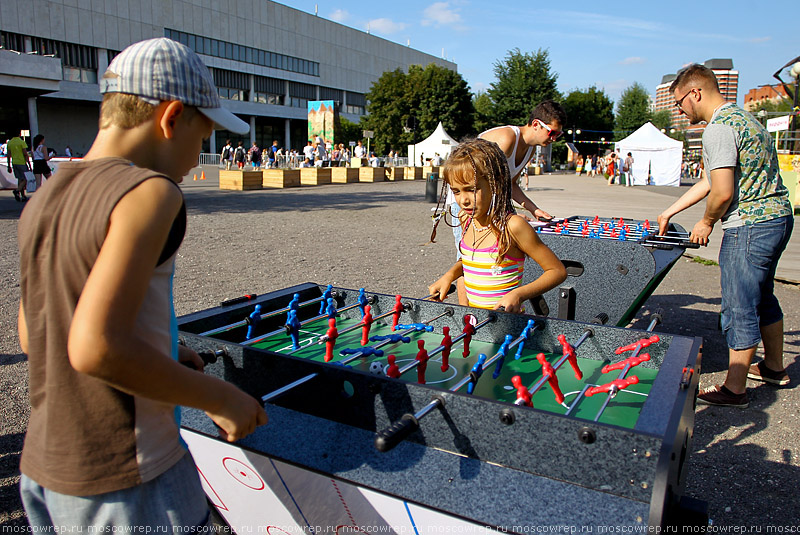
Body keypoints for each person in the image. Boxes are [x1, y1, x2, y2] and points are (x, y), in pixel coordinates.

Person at [16, 37, 267, 529]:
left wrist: (162, 350)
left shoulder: (46, 196)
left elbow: (36, 334)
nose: (200, 157)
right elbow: (93, 347)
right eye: (204, 136)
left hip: (46, 466)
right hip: (128, 475)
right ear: (171, 118)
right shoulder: (151, 193)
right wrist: (220, 398)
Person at [657, 64, 793, 408]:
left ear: (695, 93)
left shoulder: (717, 130)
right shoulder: (745, 120)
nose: (680, 110)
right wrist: (670, 212)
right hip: (777, 218)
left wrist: (706, 222)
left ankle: (734, 389)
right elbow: (709, 179)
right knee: (762, 296)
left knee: (739, 305)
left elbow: (721, 191)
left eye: (679, 103)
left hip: (749, 226)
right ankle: (774, 368)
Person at [428, 138, 566, 312]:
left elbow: (557, 271)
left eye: (472, 189)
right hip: (478, 325)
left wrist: (519, 294)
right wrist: (450, 275)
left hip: (509, 328)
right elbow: (472, 260)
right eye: (456, 191)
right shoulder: (466, 219)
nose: (463, 200)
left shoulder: (513, 226)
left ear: (496, 185)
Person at [7, 134, 30, 202]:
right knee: (25, 178)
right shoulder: (21, 142)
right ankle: (17, 191)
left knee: (20, 179)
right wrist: (28, 163)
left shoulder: (10, 142)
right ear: (19, 134)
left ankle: (23, 196)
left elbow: (8, 155)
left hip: (14, 162)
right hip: (22, 162)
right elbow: (25, 153)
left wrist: (9, 165)